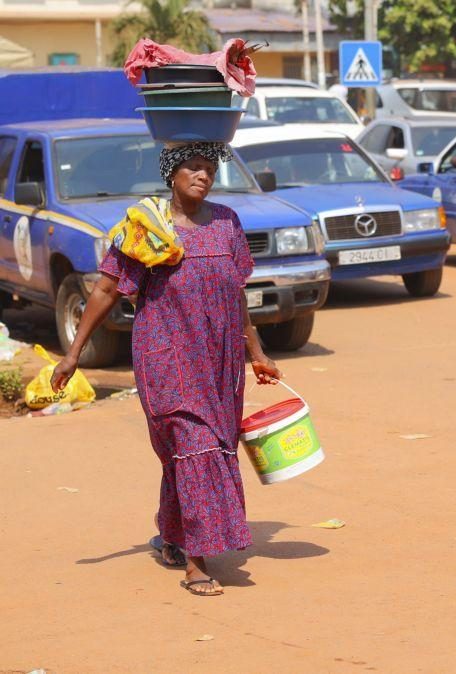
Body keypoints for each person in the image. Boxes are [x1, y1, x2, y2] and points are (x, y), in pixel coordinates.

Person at [50, 142, 282, 597]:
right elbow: (106, 289)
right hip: (167, 355)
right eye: (193, 167)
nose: (203, 175)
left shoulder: (226, 223)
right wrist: (74, 352)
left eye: (209, 169)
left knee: (208, 446)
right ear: (171, 175)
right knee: (195, 445)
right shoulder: (147, 227)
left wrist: (256, 350)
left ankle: (173, 535)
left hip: (219, 358)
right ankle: (197, 563)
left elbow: (236, 293)